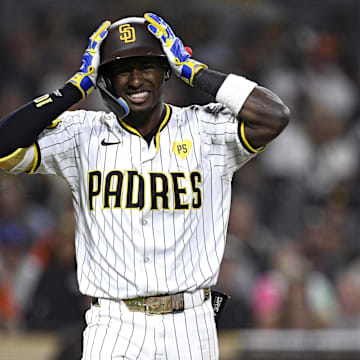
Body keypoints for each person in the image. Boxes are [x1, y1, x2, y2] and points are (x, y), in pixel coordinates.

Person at [0, 12, 290, 360]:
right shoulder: (81, 134)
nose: (136, 79)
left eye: (147, 66)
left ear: (166, 70)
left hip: (191, 321)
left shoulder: (205, 129)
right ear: (106, 78)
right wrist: (74, 88)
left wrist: (194, 70)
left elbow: (275, 115)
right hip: (114, 321)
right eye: (122, 69)